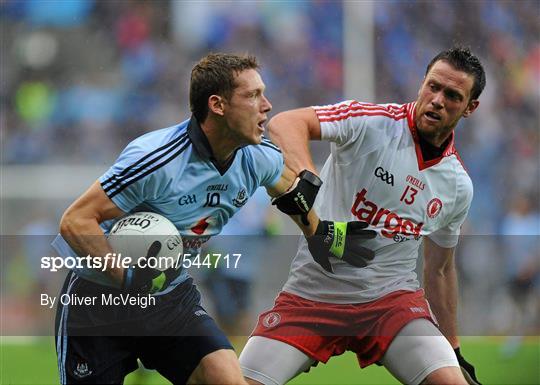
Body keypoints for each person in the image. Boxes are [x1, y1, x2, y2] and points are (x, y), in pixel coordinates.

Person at [51, 53, 331, 385]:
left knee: (225, 378)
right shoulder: (154, 160)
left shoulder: (259, 158)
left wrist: (323, 235)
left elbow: (291, 196)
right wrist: (125, 275)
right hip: (99, 301)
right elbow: (75, 221)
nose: (267, 105)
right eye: (253, 95)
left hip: (169, 296)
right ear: (218, 105)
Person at [239, 46, 485, 385]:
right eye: (433, 86)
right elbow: (286, 123)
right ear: (421, 84)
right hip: (312, 295)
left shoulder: (458, 185)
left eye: (453, 95)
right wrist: (309, 196)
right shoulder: (371, 122)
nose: (438, 100)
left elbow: (440, 269)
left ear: (470, 107)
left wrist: (453, 348)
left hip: (391, 305)